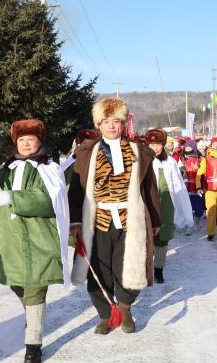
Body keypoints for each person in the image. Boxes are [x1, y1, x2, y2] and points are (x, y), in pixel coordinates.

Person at [0, 119, 70, 363]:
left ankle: (33, 345)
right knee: (18, 285)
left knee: (35, 288)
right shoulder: (7, 169)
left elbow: (48, 200)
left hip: (39, 238)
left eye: (31, 139)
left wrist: (14, 198)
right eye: (22, 140)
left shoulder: (49, 169)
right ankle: (33, 315)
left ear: (40, 141)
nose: (26, 144)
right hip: (13, 240)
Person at [68, 98, 162, 335]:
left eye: (116, 121)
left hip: (130, 219)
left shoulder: (138, 152)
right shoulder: (86, 153)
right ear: (98, 124)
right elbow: (76, 190)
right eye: (106, 121)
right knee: (99, 269)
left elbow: (149, 188)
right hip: (97, 219)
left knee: (130, 265)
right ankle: (106, 314)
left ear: (123, 124)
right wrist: (75, 220)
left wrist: (155, 220)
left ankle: (125, 308)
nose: (111, 126)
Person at [144, 129, 194, 283]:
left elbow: (178, 185)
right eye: (152, 144)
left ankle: (158, 269)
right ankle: (146, 267)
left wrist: (182, 206)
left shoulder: (170, 162)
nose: (155, 148)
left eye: (158, 144)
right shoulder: (141, 160)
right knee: (146, 238)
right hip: (147, 204)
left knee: (162, 238)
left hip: (166, 203)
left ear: (163, 144)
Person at [197, 136, 217, 241]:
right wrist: (198, 186)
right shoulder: (206, 157)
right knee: (211, 211)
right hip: (209, 188)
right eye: (214, 143)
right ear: (211, 144)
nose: (216, 145)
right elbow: (200, 171)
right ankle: (210, 232)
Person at [180, 139, 205, 232]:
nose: (187, 150)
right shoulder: (182, 159)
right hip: (187, 187)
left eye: (189, 148)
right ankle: (190, 225)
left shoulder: (200, 159)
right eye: (186, 148)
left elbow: (203, 173)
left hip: (198, 187)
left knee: (198, 207)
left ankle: (198, 218)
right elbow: (180, 171)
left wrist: (202, 185)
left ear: (194, 148)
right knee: (189, 207)